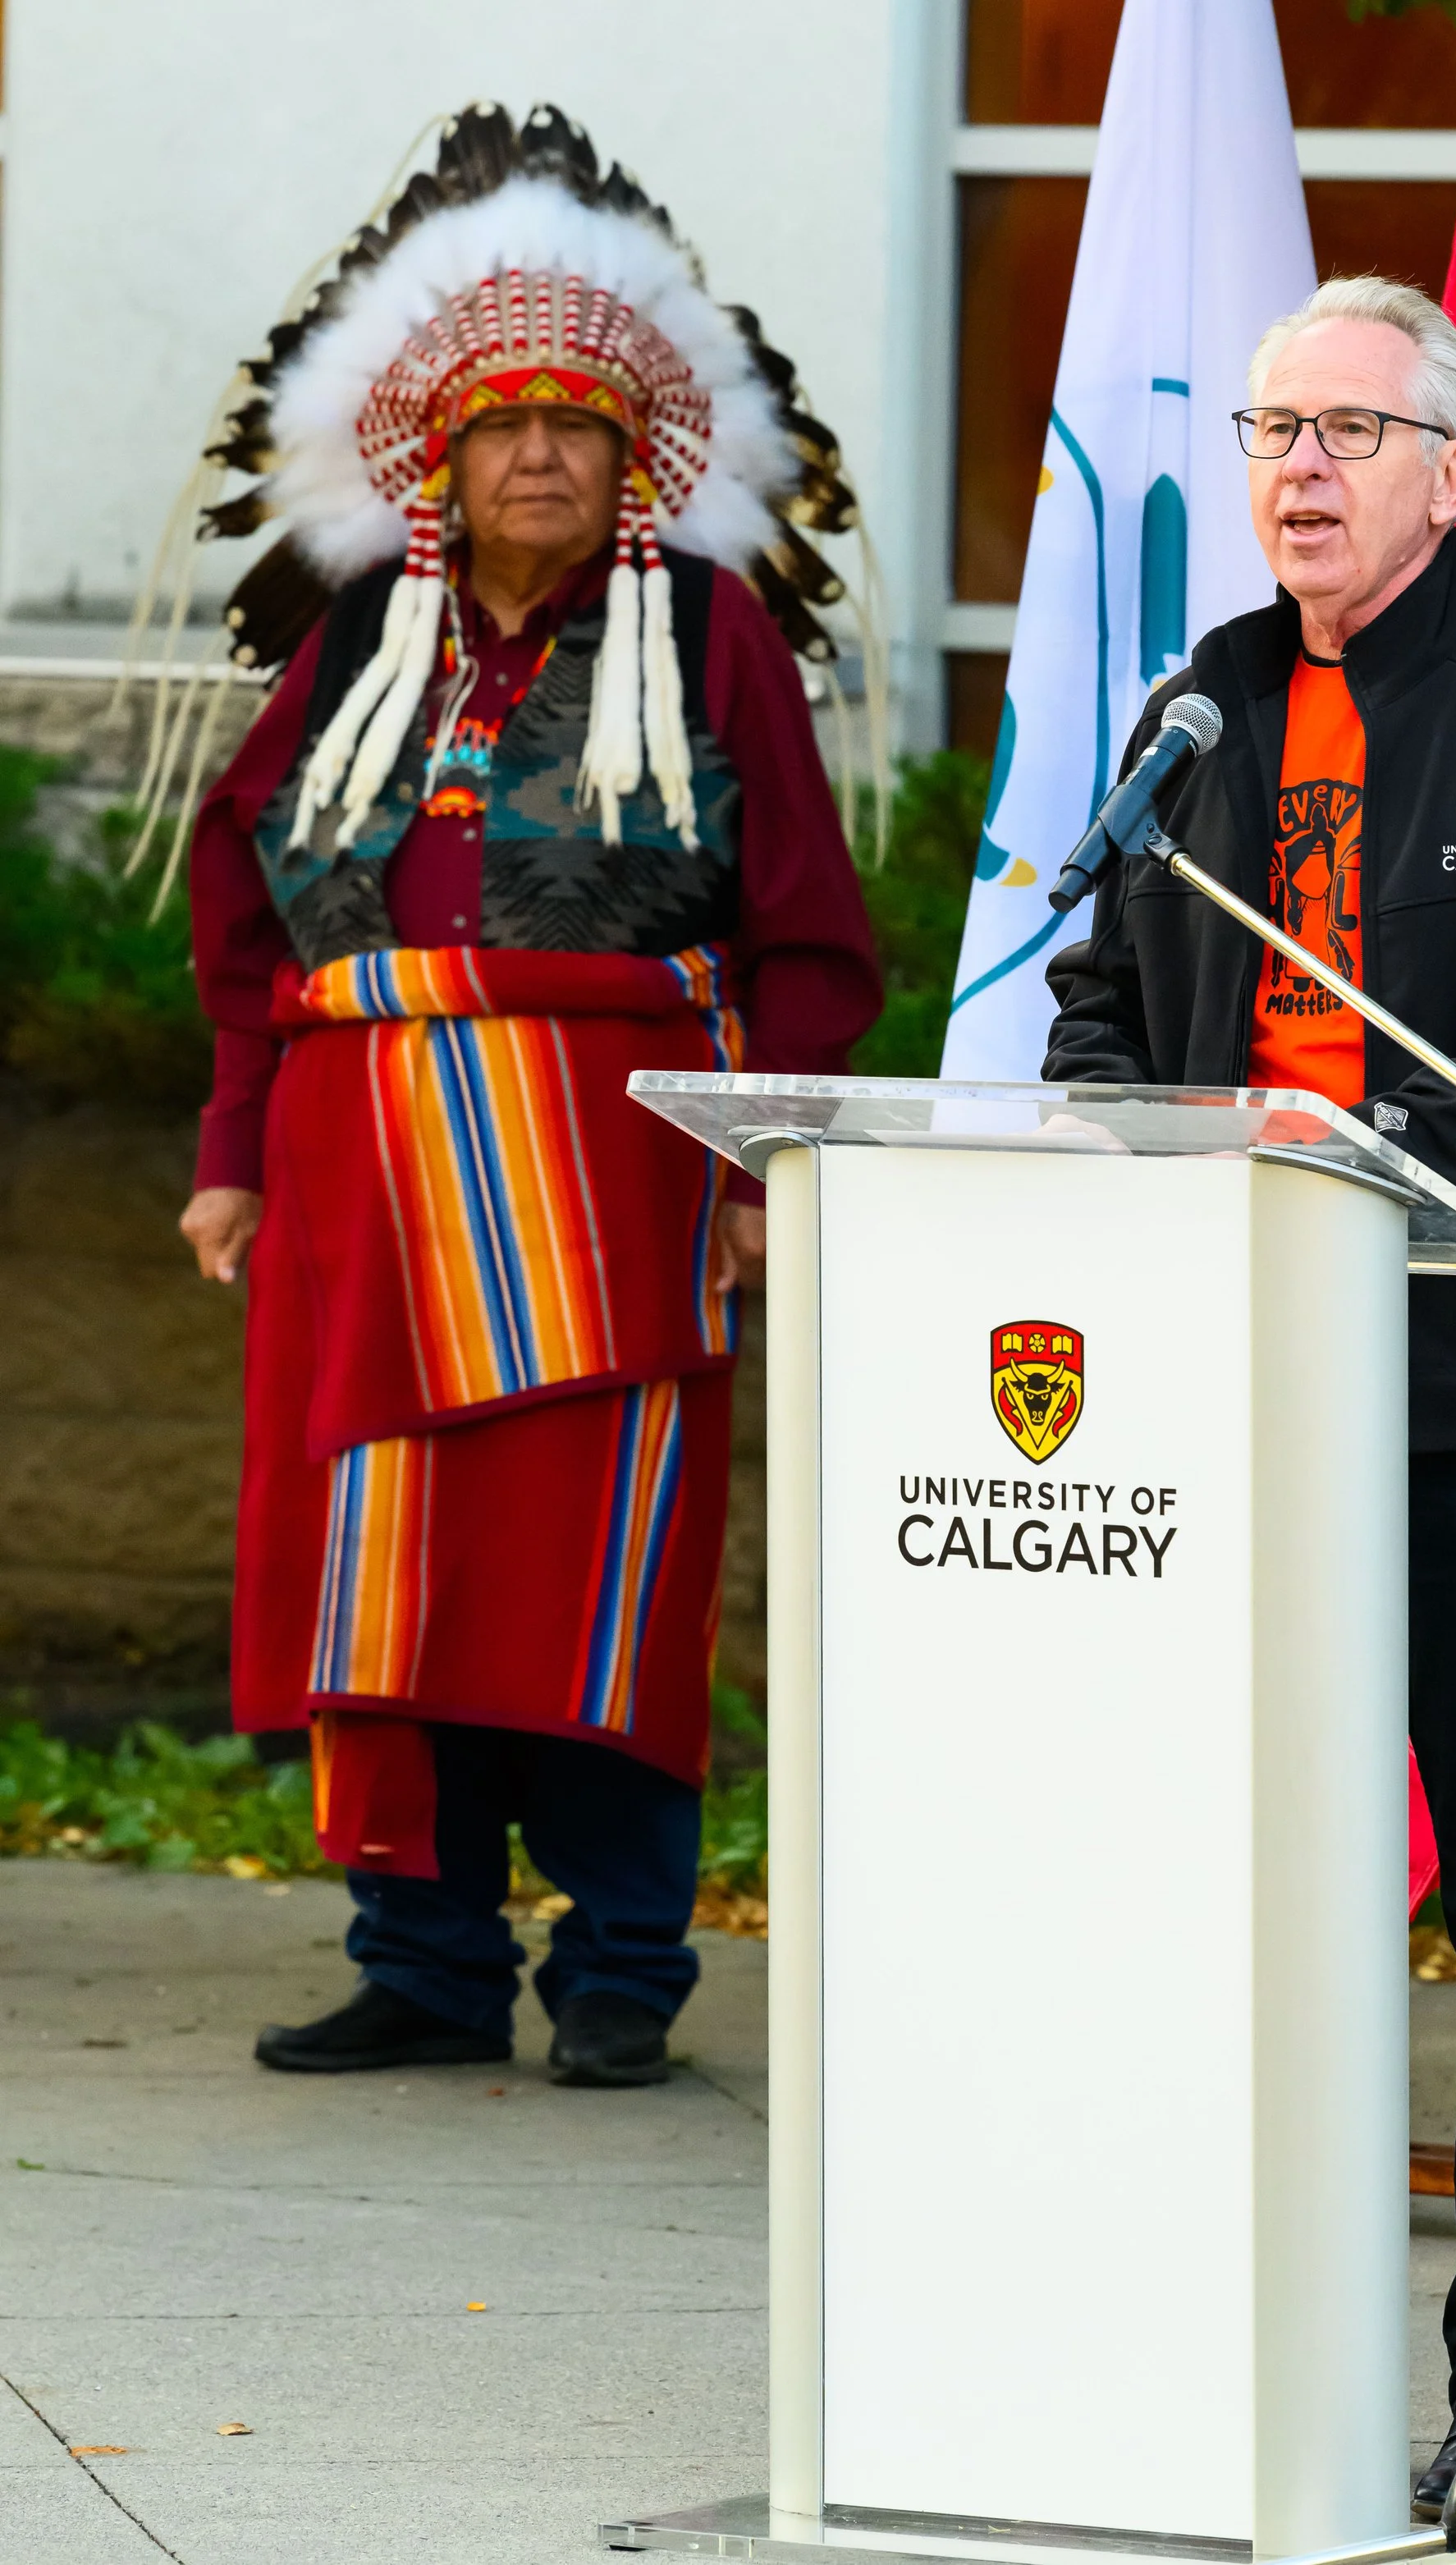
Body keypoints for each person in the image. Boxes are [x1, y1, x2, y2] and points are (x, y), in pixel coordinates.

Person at [1042, 273, 1456, 2526]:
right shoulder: (1197, 715)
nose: (1298, 469)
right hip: (1223, 1380)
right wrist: (1112, 1140)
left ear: (1446, 468)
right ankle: (1198, 2335)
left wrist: (1386, 1170)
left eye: (1346, 429)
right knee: (1197, 1869)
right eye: (1267, 430)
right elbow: (1098, 1004)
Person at [173, 105, 879, 2088]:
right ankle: (421, 1951)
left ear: (631, 458)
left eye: (578, 424)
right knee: (382, 1557)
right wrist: (233, 1158)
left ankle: (624, 1966)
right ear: (441, 459)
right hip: (359, 1187)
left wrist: (765, 1169)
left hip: (618, 1176)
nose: (541, 453)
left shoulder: (707, 638)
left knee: (603, 1568)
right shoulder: (353, 646)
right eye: (501, 424)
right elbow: (252, 934)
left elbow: (807, 936)